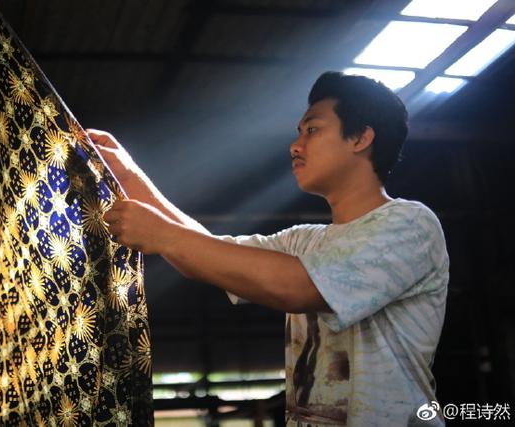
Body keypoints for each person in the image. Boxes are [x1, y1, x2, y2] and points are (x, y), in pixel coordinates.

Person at [89, 71, 449, 426]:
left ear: (360, 138)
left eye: (312, 130)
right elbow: (208, 251)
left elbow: (297, 288)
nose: (296, 145)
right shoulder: (305, 240)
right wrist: (127, 174)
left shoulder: (410, 224)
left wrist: (164, 235)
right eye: (298, 133)